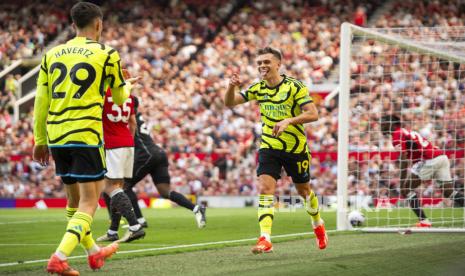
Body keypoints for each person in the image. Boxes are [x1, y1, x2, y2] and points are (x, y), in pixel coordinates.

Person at [33, 2, 139, 275]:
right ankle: (59, 256)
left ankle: (93, 252)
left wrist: (39, 139)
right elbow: (118, 99)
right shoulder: (107, 53)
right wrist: (127, 85)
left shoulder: (52, 54)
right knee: (89, 203)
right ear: (99, 24)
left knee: (73, 202)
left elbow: (40, 101)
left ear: (73, 25)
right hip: (85, 134)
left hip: (56, 135)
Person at [223, 47, 327, 254]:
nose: (262, 66)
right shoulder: (258, 88)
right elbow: (230, 103)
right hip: (269, 146)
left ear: (278, 64)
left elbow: (313, 114)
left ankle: (318, 224)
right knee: (265, 188)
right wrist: (230, 87)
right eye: (259, 62)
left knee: (304, 191)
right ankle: (265, 238)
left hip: (295, 148)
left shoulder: (295, 87)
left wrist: (289, 120)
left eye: (266, 62)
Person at [100, 96, 206, 238]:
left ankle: (130, 224)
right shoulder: (136, 116)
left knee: (118, 188)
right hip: (159, 153)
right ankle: (196, 208)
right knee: (165, 191)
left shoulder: (124, 119)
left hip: (146, 154)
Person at [381, 115, 464, 227]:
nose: (381, 124)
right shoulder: (405, 131)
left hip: (429, 159)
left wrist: (402, 182)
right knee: (449, 192)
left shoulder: (396, 135)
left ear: (392, 123)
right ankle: (424, 221)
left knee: (406, 189)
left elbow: (404, 159)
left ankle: (424, 222)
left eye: (384, 122)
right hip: (441, 157)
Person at [98, 86, 145, 243]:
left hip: (112, 144)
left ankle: (135, 227)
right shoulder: (128, 96)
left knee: (109, 187)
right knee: (118, 188)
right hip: (127, 142)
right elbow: (133, 123)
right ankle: (113, 231)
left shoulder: (103, 94)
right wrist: (128, 141)